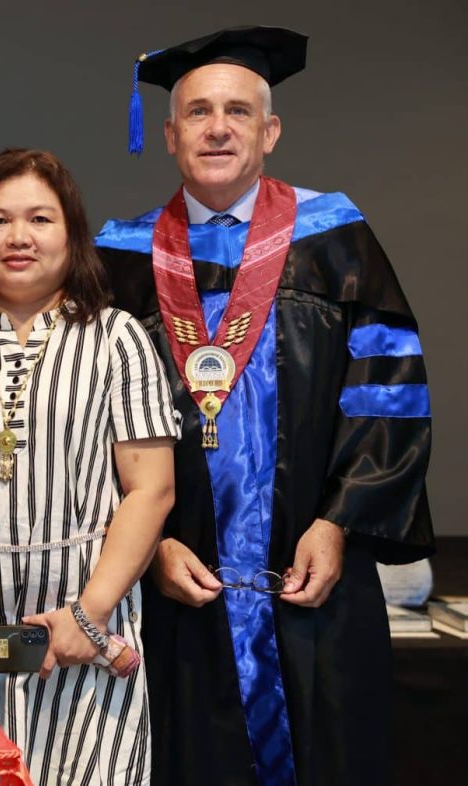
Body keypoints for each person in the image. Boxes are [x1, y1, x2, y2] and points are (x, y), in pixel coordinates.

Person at [95, 26, 434, 786]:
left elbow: (388, 392)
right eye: (199, 112)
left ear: (270, 131)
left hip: (312, 578)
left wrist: (340, 523)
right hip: (175, 590)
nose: (218, 128)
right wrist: (146, 545)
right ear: (170, 136)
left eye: (238, 111)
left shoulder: (336, 240)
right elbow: (87, 426)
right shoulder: (120, 257)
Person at [0, 148, 177, 785]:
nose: (19, 237)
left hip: (92, 625)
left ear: (72, 233)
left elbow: (151, 490)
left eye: (40, 219)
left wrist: (88, 616)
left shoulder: (118, 338)